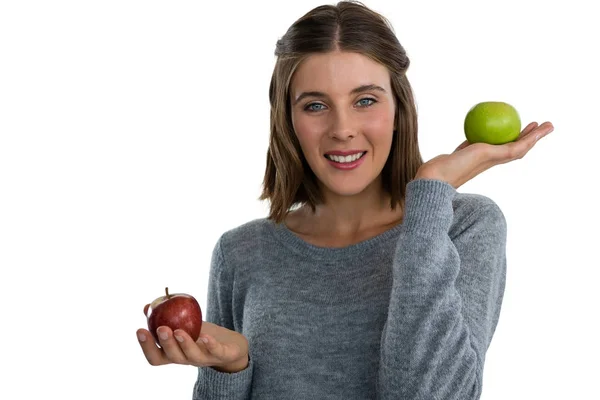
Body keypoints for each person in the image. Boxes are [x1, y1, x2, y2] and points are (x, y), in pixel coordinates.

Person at [136, 1, 554, 398]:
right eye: (316, 105)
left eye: (365, 100)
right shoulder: (240, 252)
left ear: (399, 110)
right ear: (288, 120)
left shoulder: (465, 225)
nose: (342, 128)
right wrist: (229, 369)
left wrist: (430, 193)